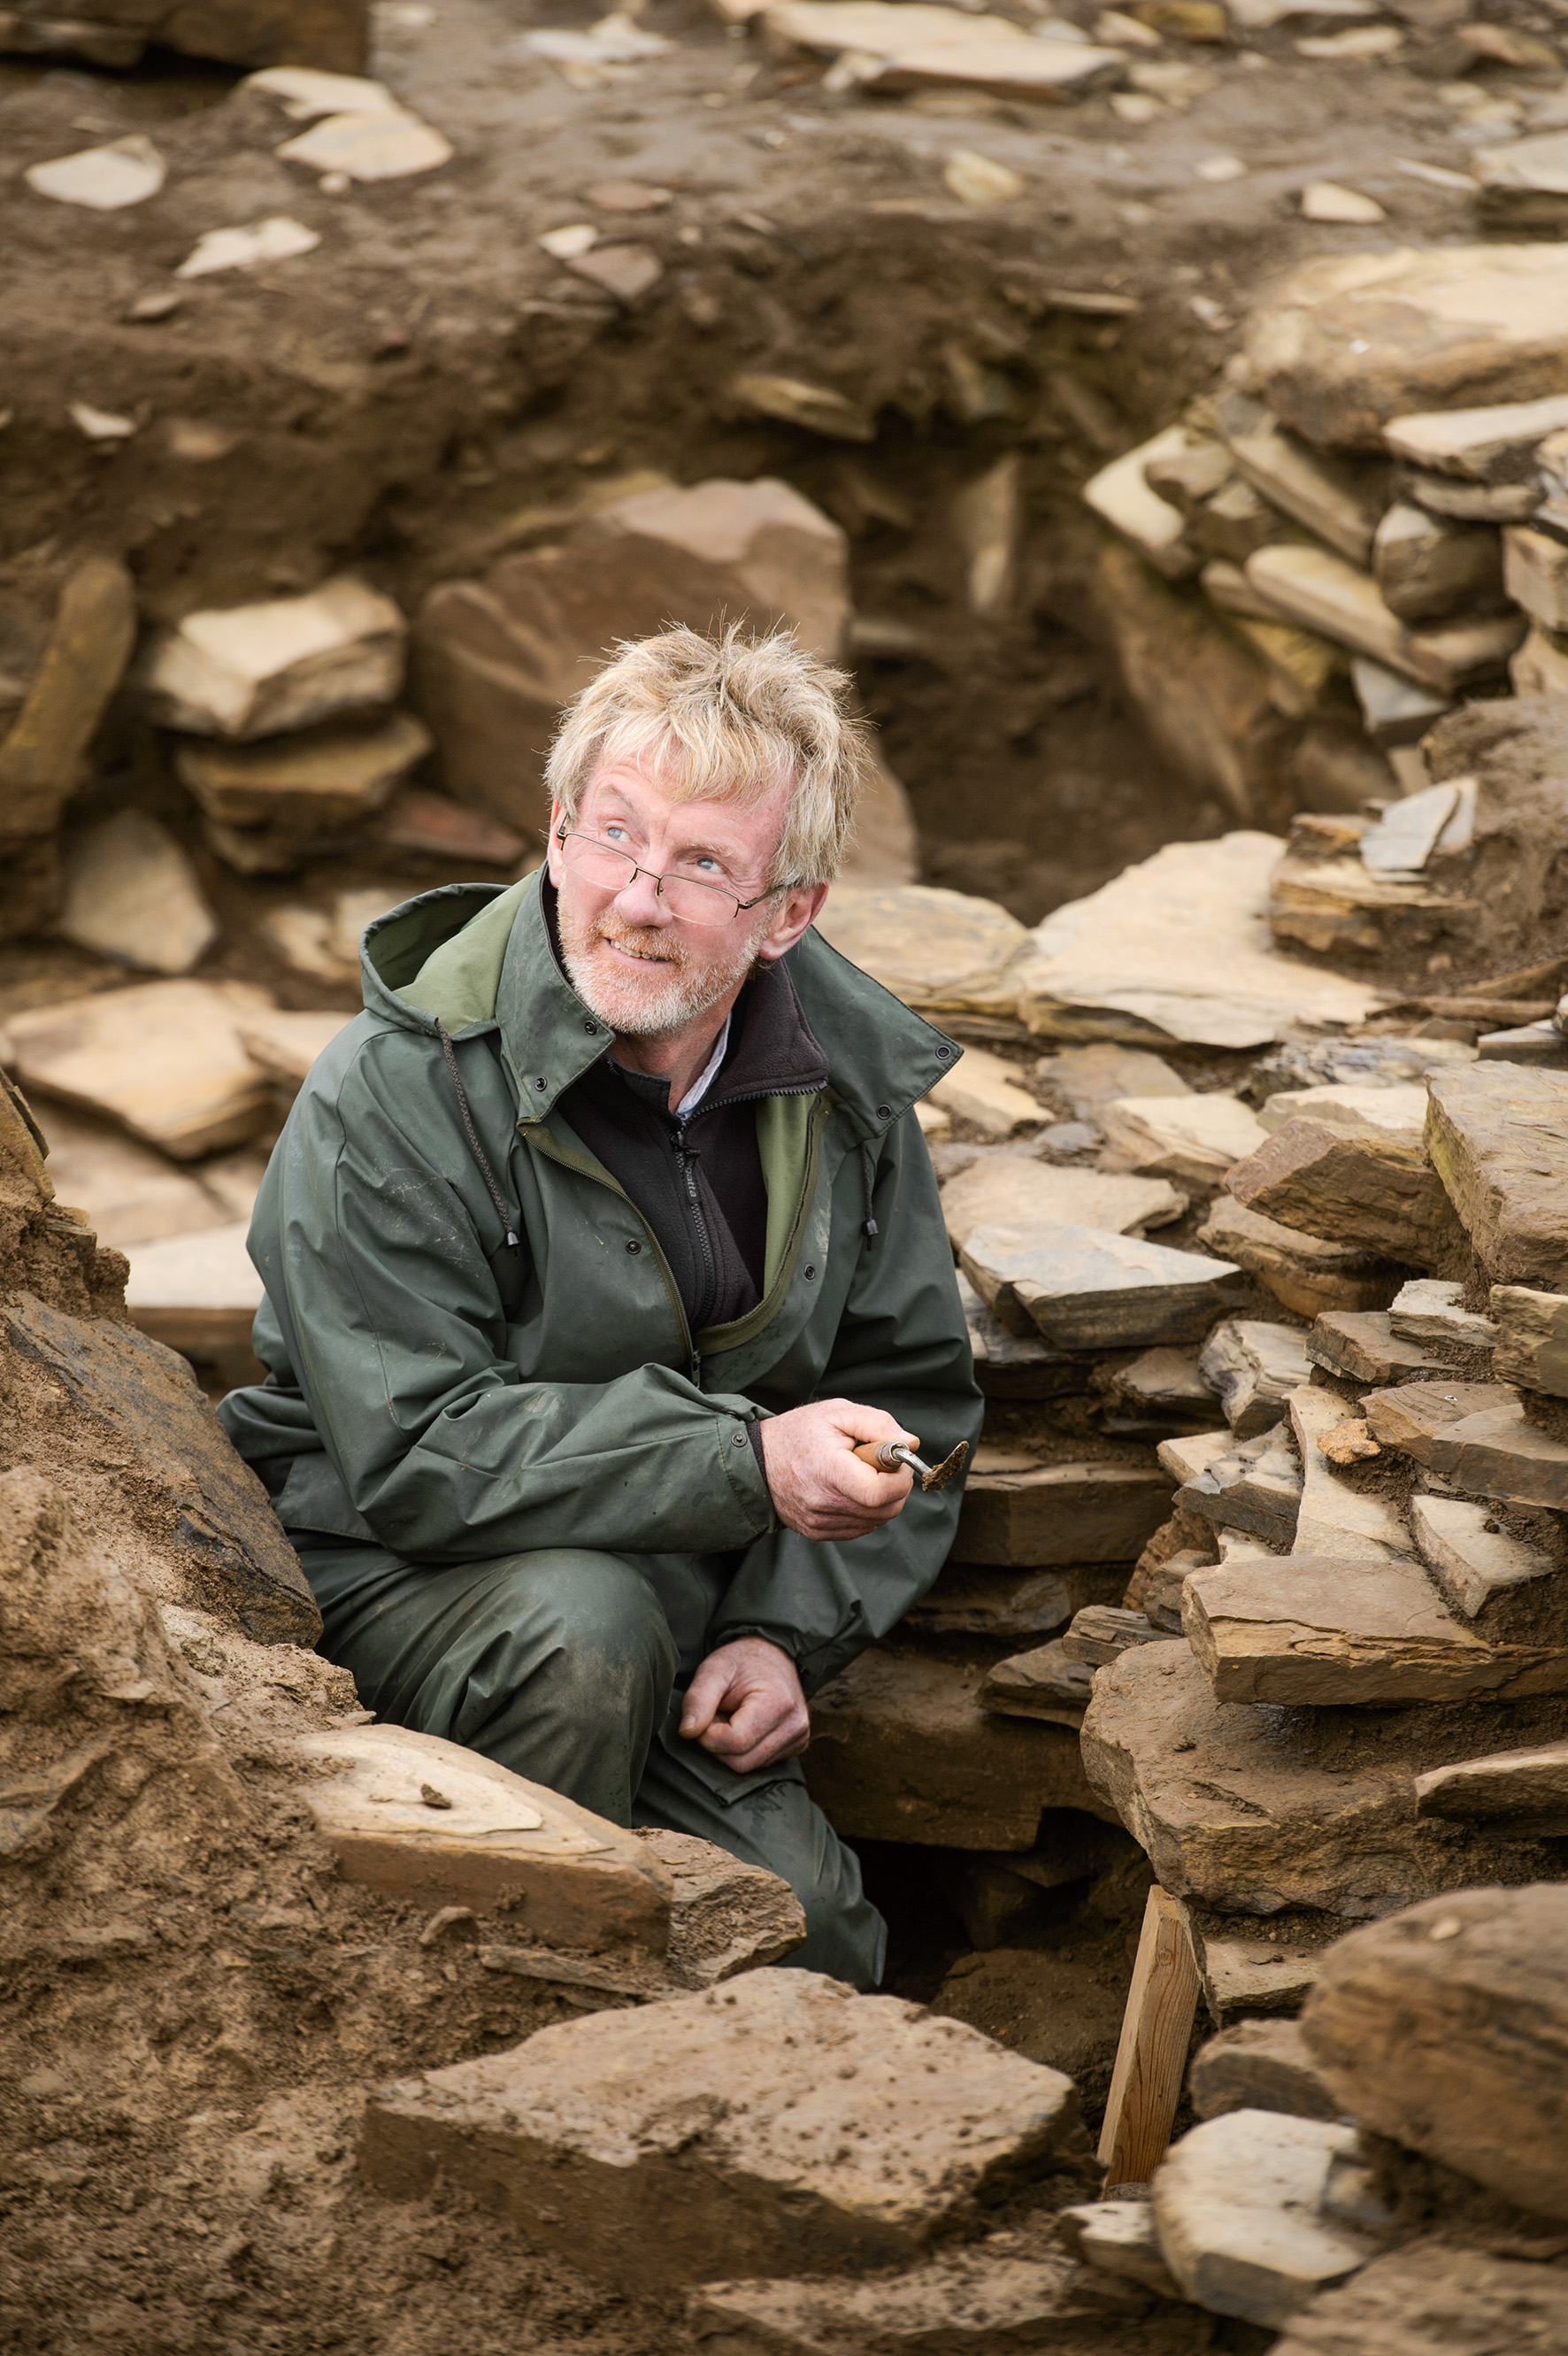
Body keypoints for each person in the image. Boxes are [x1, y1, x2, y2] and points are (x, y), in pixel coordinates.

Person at [219, 623, 982, 1988]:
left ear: (788, 912)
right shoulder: (391, 1092)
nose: (637, 897)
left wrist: (781, 1626)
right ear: (556, 832)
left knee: (809, 1933)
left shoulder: (846, 1090)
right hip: (395, 1574)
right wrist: (744, 1463)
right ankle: (499, 2034)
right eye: (614, 834)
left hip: (684, 1595)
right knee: (581, 1631)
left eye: (702, 863)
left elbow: (912, 1393)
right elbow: (417, 1449)